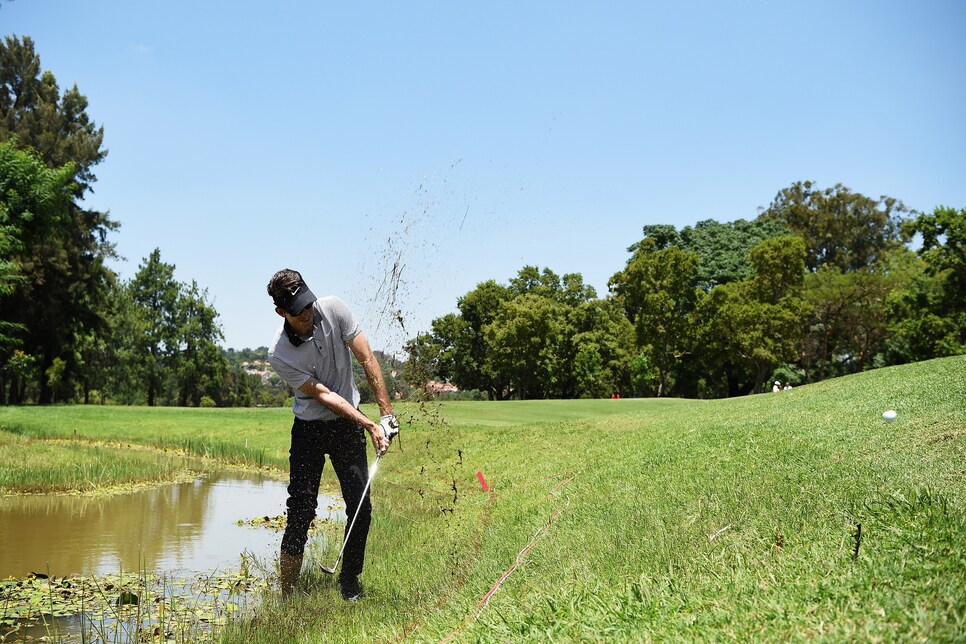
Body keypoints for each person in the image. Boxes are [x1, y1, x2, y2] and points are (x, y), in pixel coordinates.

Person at [266, 268, 398, 601]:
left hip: (345, 429)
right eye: (299, 312)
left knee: (360, 506)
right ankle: (287, 593)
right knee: (300, 510)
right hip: (309, 429)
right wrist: (369, 424)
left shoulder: (334, 308)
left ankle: (350, 583)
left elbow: (366, 356)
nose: (308, 314)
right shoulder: (279, 354)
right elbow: (324, 395)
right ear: (282, 312)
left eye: (308, 304)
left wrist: (386, 414)